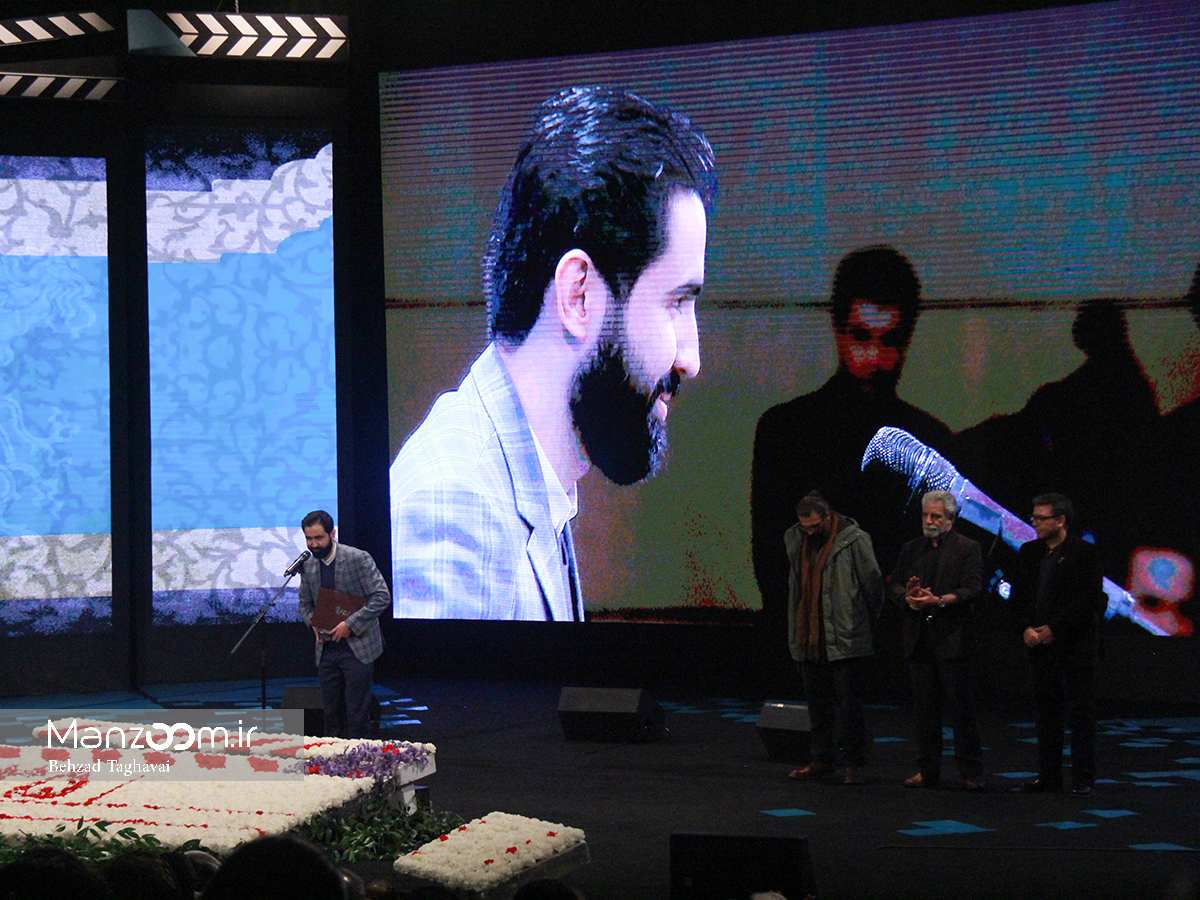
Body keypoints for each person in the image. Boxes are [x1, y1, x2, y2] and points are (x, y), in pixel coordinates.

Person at [389, 85, 717, 620]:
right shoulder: (454, 512)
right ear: (578, 295)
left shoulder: (519, 482)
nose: (692, 358)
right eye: (676, 302)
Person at [752, 246, 952, 685]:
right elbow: (772, 563)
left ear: (908, 338)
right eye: (862, 337)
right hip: (808, 660)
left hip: (901, 667)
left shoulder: (931, 445)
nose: (875, 359)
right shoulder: (785, 431)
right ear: (838, 329)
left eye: (890, 340)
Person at [889, 490, 985, 791]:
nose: (929, 521)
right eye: (925, 515)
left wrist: (939, 600)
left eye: (936, 516)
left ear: (950, 519)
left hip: (952, 640)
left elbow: (973, 589)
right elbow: (894, 584)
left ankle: (970, 772)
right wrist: (908, 597)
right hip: (919, 640)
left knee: (961, 710)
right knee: (924, 711)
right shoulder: (912, 549)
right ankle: (927, 770)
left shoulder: (967, 548)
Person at [784, 493, 883, 785]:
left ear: (828, 517)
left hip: (845, 635)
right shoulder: (794, 538)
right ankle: (821, 760)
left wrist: (862, 622)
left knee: (849, 706)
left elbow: (873, 584)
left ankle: (852, 764)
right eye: (805, 527)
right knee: (817, 705)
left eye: (815, 526)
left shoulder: (855, 540)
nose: (810, 532)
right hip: (809, 636)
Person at [1011, 493, 1103, 795]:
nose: (1035, 523)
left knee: (1080, 712)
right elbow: (1020, 596)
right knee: (1046, 712)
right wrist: (1026, 627)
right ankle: (1048, 775)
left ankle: (1083, 778)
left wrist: (1055, 629)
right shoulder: (1029, 552)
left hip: (1074, 646)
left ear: (1060, 520)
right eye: (1034, 517)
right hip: (1039, 646)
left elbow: (1088, 601)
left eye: (1041, 518)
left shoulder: (1085, 554)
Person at [298, 510, 390, 739]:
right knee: (330, 713)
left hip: (357, 647)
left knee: (356, 714)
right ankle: (332, 757)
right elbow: (305, 604)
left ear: (332, 534)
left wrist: (350, 624)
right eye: (309, 539)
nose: (313, 544)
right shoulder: (308, 565)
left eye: (318, 538)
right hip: (326, 649)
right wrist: (313, 624)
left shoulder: (357, 558)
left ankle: (359, 756)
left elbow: (381, 596)